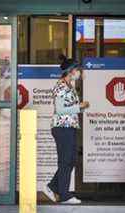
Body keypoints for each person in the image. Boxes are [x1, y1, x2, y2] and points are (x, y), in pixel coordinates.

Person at [43, 55, 90, 204]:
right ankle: (63, 195)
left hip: (70, 127)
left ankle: (52, 187)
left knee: (70, 160)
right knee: (65, 161)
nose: (79, 73)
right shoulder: (60, 86)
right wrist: (79, 106)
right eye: (78, 70)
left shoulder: (71, 87)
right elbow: (61, 109)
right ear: (70, 71)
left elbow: (70, 108)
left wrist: (80, 108)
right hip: (62, 128)